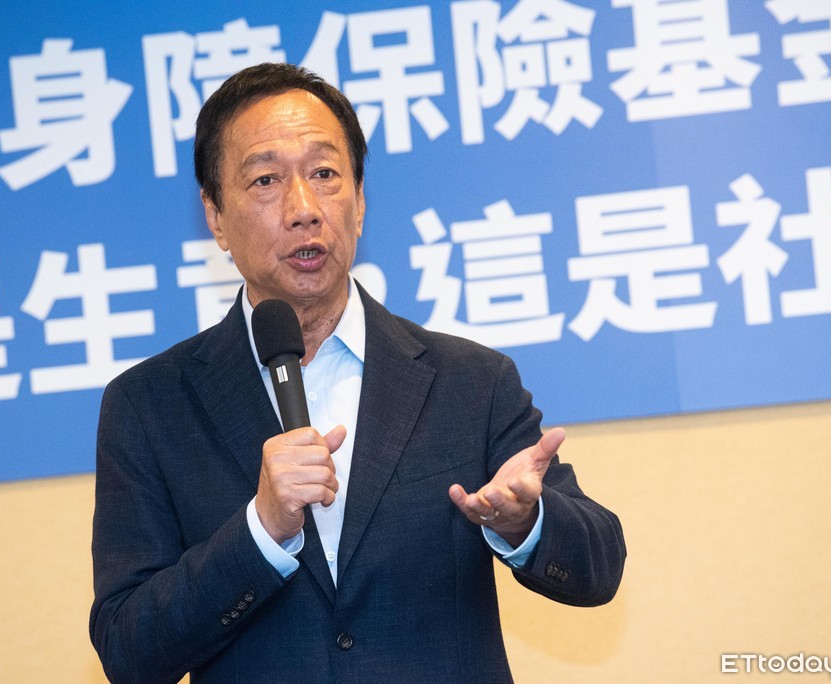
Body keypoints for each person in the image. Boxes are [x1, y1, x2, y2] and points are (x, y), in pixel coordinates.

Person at [90, 62, 625, 684]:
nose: (304, 208)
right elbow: (129, 651)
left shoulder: (470, 381)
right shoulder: (150, 405)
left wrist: (525, 523)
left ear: (361, 200)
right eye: (266, 179)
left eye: (324, 174)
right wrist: (261, 530)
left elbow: (599, 569)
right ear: (215, 216)